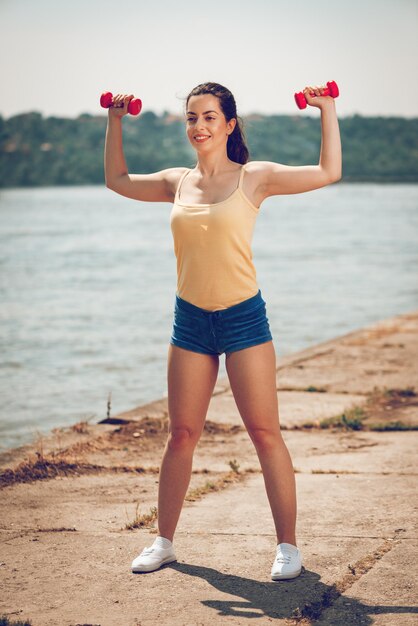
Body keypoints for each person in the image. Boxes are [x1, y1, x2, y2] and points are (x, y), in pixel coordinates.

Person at [104, 81, 342, 580]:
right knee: (182, 435)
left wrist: (327, 109)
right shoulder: (177, 181)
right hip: (190, 321)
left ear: (229, 124)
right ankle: (164, 541)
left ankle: (288, 548)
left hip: (243, 320)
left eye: (209, 117)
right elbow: (118, 180)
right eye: (192, 118)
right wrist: (115, 120)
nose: (199, 126)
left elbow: (328, 171)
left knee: (264, 434)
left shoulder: (253, 178)